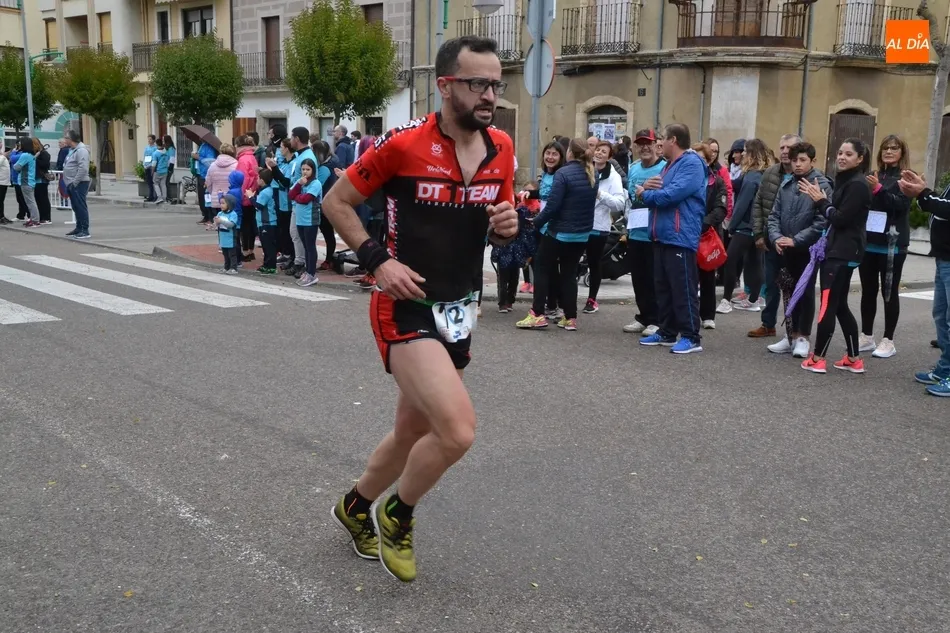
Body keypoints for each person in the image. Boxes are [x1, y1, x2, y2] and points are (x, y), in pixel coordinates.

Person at [321, 35, 518, 583]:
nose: (490, 95)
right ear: (446, 85)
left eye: (496, 84)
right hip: (404, 307)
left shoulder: (502, 147)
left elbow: (499, 223)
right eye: (478, 84)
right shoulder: (404, 144)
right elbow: (336, 201)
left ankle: (355, 506)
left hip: (459, 309)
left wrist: (508, 228)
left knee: (412, 430)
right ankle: (398, 513)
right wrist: (378, 261)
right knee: (457, 431)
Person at [799, 138, 872, 374]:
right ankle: (853, 358)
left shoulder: (857, 185)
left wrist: (821, 201)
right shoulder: (848, 181)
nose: (841, 157)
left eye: (848, 154)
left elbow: (840, 218)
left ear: (860, 159)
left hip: (842, 252)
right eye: (840, 153)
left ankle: (818, 358)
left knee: (828, 304)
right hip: (842, 250)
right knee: (839, 305)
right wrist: (823, 202)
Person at [636, 123, 707, 354]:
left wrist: (645, 194)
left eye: (662, 139)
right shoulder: (669, 165)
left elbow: (671, 195)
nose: (659, 144)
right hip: (662, 235)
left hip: (680, 236)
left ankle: (691, 336)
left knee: (682, 288)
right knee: (663, 288)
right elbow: (658, 189)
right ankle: (667, 331)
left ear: (673, 140)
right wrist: (647, 187)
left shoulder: (692, 163)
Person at [516, 137, 596, 331]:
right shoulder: (592, 173)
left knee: (542, 268)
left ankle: (537, 314)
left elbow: (552, 206)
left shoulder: (563, 173)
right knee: (569, 273)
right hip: (582, 233)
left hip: (560, 232)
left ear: (569, 153)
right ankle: (570, 317)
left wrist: (536, 222)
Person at [766, 141, 832, 359]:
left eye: (803, 160)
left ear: (812, 161)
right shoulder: (786, 185)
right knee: (788, 289)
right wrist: (776, 237)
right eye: (794, 160)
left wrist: (796, 240)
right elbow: (774, 215)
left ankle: (803, 336)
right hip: (786, 247)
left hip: (808, 249)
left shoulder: (821, 184)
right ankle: (790, 335)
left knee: (805, 291)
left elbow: (822, 220)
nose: (797, 164)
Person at [858, 135, 911, 359]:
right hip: (869, 241)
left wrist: (879, 189)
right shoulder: (873, 174)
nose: (889, 151)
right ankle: (867, 335)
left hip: (892, 244)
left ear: (902, 152)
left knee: (889, 292)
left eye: (894, 148)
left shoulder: (906, 177)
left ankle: (888, 340)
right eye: (885, 148)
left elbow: (901, 205)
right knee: (868, 291)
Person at [898, 170, 950, 396]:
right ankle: (945, 368)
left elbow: (946, 208)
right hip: (944, 257)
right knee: (941, 315)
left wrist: (924, 193)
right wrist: (921, 194)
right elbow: (939, 206)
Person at [750, 133, 801, 338]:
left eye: (790, 148)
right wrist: (758, 234)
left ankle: (796, 329)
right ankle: (768, 324)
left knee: (795, 287)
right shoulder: (770, 173)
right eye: (782, 148)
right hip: (771, 239)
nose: (785, 152)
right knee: (770, 284)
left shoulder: (806, 175)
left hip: (796, 242)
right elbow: (758, 203)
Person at [717, 138, 773, 314]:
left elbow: (742, 204)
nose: (742, 154)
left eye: (746, 151)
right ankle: (755, 299)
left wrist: (732, 225)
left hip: (745, 225)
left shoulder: (751, 177)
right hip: (758, 227)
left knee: (730, 260)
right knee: (755, 263)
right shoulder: (764, 175)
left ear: (752, 154)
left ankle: (726, 300)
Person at [623, 129, 666, 335]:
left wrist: (646, 190)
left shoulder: (665, 168)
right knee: (638, 278)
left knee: (654, 279)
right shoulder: (633, 168)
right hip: (635, 231)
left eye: (648, 143)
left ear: (657, 144)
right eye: (640, 144)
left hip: (655, 232)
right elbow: (632, 198)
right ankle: (644, 316)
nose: (645, 147)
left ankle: (657, 320)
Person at [583, 139, 627, 314]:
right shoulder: (585, 170)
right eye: (598, 149)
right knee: (572, 262)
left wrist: (600, 194)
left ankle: (592, 300)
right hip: (579, 224)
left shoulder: (613, 176)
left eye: (604, 152)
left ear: (609, 157)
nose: (599, 153)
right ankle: (565, 301)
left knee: (594, 263)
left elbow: (619, 203)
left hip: (598, 226)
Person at [692, 142, 727, 329]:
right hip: (688, 234)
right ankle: (689, 314)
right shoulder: (686, 180)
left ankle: (707, 315)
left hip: (708, 234)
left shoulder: (717, 182)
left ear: (708, 161)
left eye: (702, 159)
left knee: (707, 276)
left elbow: (721, 209)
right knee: (689, 277)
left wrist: (703, 223)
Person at [289, 158, 322, 287]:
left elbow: (307, 198)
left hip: (310, 220)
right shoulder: (300, 182)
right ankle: (308, 271)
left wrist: (297, 197)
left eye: (308, 169)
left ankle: (311, 273)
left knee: (310, 246)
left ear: (313, 170)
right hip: (300, 219)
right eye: (303, 169)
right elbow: (290, 195)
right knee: (305, 246)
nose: (305, 172)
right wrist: (298, 185)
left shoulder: (316, 183)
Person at [313, 139, 343, 272]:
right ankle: (330, 259)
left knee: (327, 233)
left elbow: (316, 185)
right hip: (331, 201)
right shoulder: (334, 161)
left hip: (324, 204)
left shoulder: (324, 168)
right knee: (328, 233)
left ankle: (329, 260)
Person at [236, 135, 260, 261]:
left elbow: (243, 179)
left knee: (244, 225)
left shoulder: (243, 159)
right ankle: (250, 250)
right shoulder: (252, 157)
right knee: (250, 223)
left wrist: (240, 195)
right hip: (252, 193)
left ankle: (245, 251)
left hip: (245, 195)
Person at [62, 130, 91, 238]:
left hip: (79, 183)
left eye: (66, 138)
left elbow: (83, 168)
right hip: (71, 183)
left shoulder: (81, 150)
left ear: (71, 139)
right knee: (76, 207)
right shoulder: (72, 150)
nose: (65, 140)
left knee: (80, 206)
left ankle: (84, 230)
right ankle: (79, 228)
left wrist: (75, 182)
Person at [254, 169, 278, 274]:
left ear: (262, 180)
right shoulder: (264, 190)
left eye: (258, 178)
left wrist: (250, 197)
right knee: (265, 245)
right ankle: (266, 264)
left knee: (269, 246)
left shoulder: (266, 192)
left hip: (267, 223)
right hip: (263, 222)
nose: (257, 179)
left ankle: (271, 266)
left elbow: (259, 205)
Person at [13, 138, 40, 227]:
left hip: (26, 181)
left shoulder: (25, 155)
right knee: (30, 201)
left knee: (30, 202)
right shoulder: (31, 155)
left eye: (20, 144)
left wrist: (14, 163)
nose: (19, 146)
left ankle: (35, 220)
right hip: (30, 180)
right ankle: (33, 218)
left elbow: (17, 167)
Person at [214, 194, 241, 274]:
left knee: (232, 254)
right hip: (223, 237)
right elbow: (217, 224)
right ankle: (226, 267)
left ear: (230, 204)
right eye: (220, 203)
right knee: (225, 254)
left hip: (230, 237)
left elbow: (231, 224)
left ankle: (234, 268)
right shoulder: (220, 213)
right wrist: (214, 224)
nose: (221, 205)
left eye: (223, 203)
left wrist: (221, 221)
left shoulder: (233, 214)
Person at [194, 140, 218, 224]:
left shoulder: (209, 147)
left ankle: (210, 217)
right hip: (200, 173)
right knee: (201, 197)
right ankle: (205, 215)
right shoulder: (202, 146)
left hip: (206, 175)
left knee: (207, 197)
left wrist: (198, 158)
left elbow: (210, 162)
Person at [34, 139, 52, 224]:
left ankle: (46, 217)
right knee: (38, 199)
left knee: (43, 199)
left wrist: (35, 159)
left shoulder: (44, 153)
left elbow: (45, 164)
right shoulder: (36, 153)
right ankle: (41, 217)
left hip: (42, 179)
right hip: (36, 179)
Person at [152, 138, 169, 204]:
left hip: (158, 171)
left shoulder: (155, 153)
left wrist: (152, 172)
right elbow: (168, 162)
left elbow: (154, 164)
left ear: (156, 144)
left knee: (155, 183)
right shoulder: (166, 152)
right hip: (165, 171)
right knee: (163, 184)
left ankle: (159, 197)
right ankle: (164, 198)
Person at [143, 134, 157, 202]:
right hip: (147, 165)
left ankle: (155, 196)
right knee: (149, 182)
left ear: (154, 140)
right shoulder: (146, 148)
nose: (149, 140)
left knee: (153, 182)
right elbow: (145, 156)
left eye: (150, 139)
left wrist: (151, 165)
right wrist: (144, 165)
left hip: (152, 166)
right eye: (148, 139)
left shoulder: (155, 148)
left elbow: (155, 158)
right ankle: (150, 196)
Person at [162, 135, 176, 202]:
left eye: (163, 139)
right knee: (165, 182)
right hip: (165, 168)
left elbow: (172, 159)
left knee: (166, 183)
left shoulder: (171, 149)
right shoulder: (166, 148)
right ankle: (166, 196)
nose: (162, 140)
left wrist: (170, 169)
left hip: (169, 168)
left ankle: (169, 197)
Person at [0, 149, 10, 224]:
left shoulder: (2, 157)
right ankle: (1, 217)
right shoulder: (2, 157)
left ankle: (2, 216)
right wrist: (3, 156)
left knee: (1, 200)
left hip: (4, 182)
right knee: (0, 200)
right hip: (1, 182)